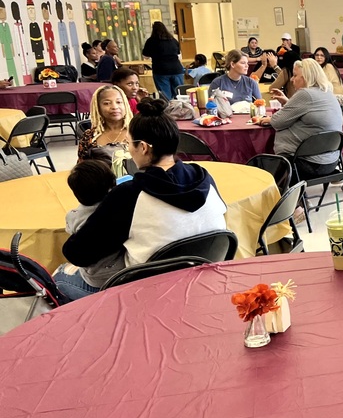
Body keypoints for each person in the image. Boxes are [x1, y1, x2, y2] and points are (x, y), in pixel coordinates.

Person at [58, 97, 228, 298]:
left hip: (149, 291)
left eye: (128, 143)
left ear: (144, 147)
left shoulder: (130, 194)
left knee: (60, 276)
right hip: (204, 281)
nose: (128, 150)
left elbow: (78, 253)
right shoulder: (205, 179)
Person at [256, 58, 343, 182]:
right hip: (330, 161)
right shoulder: (327, 92)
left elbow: (277, 122)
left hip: (305, 163)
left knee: (261, 163)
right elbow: (309, 111)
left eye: (295, 75)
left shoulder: (305, 94)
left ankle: (282, 196)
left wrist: (270, 118)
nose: (291, 79)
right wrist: (289, 103)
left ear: (306, 78)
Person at [52, 160, 125, 300]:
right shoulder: (122, 206)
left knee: (57, 277)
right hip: (124, 270)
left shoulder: (74, 217)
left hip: (98, 280)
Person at [77, 84, 134, 177]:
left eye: (119, 102)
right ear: (98, 107)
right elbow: (81, 170)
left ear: (125, 104)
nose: (114, 107)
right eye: (107, 103)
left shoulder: (138, 131)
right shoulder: (90, 136)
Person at [142, 21, 185, 100]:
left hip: (161, 70)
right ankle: (181, 109)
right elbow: (179, 54)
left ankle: (168, 110)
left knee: (165, 95)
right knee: (179, 94)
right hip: (176, 69)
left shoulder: (151, 41)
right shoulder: (173, 40)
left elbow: (145, 56)